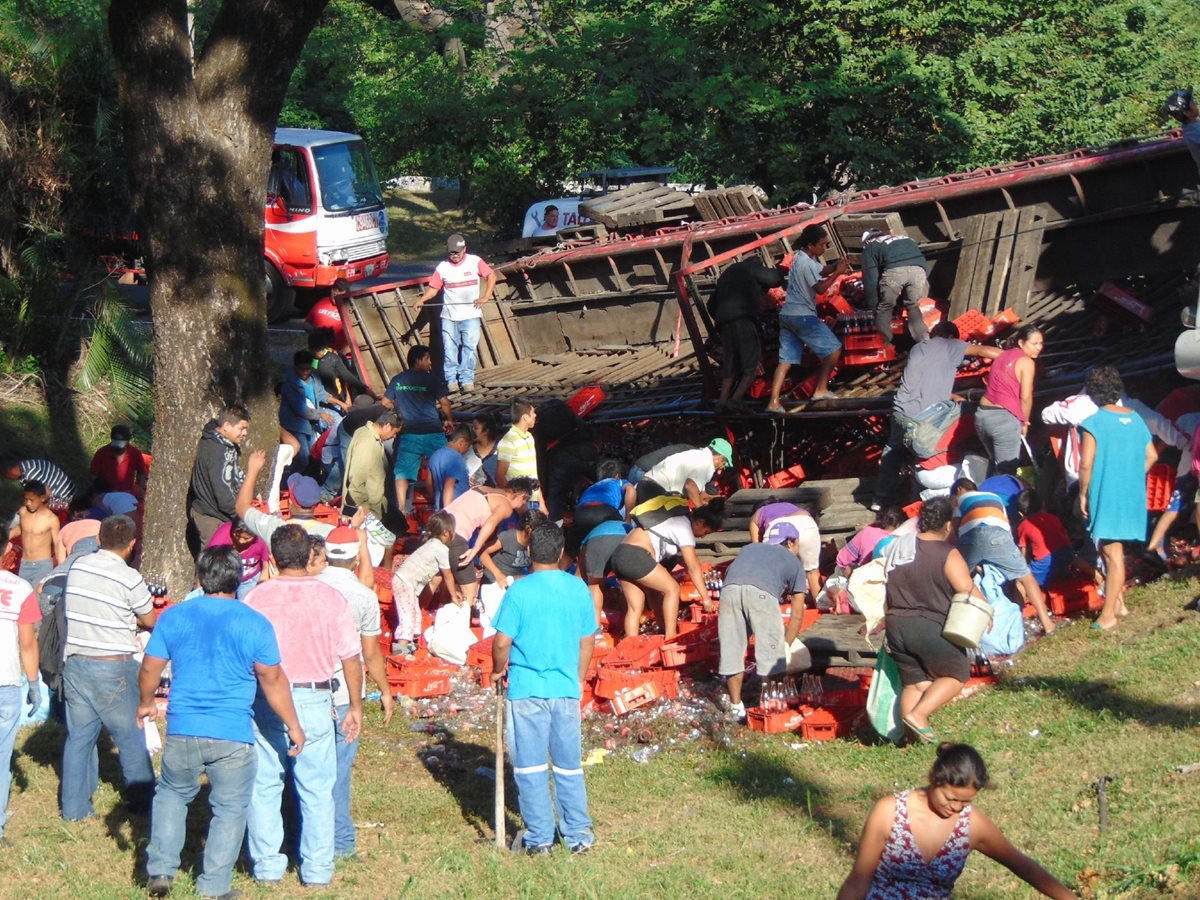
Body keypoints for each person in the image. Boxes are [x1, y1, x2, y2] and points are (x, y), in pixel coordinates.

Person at [138, 546, 304, 900]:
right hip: (232, 733)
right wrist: (292, 724)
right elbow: (272, 680)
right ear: (240, 578)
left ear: (199, 576)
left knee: (171, 795)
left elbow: (151, 666)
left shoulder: (174, 616)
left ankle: (161, 871)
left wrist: (146, 702)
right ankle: (213, 887)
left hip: (183, 727)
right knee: (229, 810)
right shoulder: (255, 622)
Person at [243, 524, 364, 888]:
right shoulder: (332, 599)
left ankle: (266, 866)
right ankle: (316, 870)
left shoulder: (255, 598)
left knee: (264, 783)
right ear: (311, 556)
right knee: (317, 788)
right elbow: (351, 658)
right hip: (314, 697)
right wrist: (355, 705)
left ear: (274, 559)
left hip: (266, 698)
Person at [837, 742, 1078, 899]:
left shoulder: (973, 825)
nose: (955, 808)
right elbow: (859, 879)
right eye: (950, 798)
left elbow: (1024, 867)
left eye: (965, 803)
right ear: (934, 778)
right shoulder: (889, 811)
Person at [491, 521, 596, 854]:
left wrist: (497, 670)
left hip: (527, 690)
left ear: (529, 552)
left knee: (530, 767)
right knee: (569, 766)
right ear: (562, 552)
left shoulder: (519, 591)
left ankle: (540, 839)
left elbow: (501, 641)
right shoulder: (577, 588)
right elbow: (587, 638)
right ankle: (578, 835)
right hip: (565, 688)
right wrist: (579, 677)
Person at [60, 514, 157, 819]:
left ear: (98, 539)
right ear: (132, 545)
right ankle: (142, 803)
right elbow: (149, 619)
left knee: (79, 739)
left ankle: (74, 809)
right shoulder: (129, 578)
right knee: (129, 735)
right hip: (113, 666)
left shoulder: (77, 567)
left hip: (75, 664)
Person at [316, 527, 394, 859]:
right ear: (353, 559)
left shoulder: (310, 587)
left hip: (306, 691)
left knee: (306, 768)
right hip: (346, 695)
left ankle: (301, 836)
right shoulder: (362, 596)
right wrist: (385, 691)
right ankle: (341, 843)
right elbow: (371, 654)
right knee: (338, 771)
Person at [874, 320, 1002, 508]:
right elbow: (986, 352)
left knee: (894, 450)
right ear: (951, 337)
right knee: (925, 453)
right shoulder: (950, 345)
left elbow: (928, 380)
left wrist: (952, 395)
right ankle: (921, 499)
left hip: (901, 410)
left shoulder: (918, 348)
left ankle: (880, 498)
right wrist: (1014, 358)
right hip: (922, 418)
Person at [882, 498, 978, 743]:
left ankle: (911, 741)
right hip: (928, 624)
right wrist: (984, 609)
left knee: (914, 684)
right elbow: (966, 587)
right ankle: (920, 716)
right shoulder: (946, 552)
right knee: (956, 674)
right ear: (947, 526)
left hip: (896, 623)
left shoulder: (898, 547)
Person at [1079, 366, 1156, 632]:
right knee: (1109, 548)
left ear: (1092, 394)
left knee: (1112, 553)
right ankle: (1120, 604)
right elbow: (1152, 456)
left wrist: (1081, 493)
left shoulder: (1093, 423)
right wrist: (1131, 474)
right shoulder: (1135, 418)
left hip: (1105, 493)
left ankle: (1108, 615)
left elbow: (1086, 464)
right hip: (1130, 493)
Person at [718, 521, 808, 723]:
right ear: (791, 542)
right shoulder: (794, 563)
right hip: (761, 594)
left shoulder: (750, 548)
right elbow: (797, 611)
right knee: (772, 653)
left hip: (729, 591)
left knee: (732, 650)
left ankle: (735, 707)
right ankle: (771, 705)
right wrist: (786, 645)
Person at [952, 478, 1056, 636]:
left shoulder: (959, 500)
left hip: (972, 537)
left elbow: (954, 532)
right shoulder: (994, 498)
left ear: (959, 490)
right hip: (1000, 535)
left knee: (958, 579)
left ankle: (967, 630)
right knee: (1025, 576)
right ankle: (1047, 624)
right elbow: (1004, 527)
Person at [611, 502, 724, 640]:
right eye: (706, 532)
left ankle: (632, 646)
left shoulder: (673, 521)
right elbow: (693, 567)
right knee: (672, 589)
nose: (703, 537)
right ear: (700, 522)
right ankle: (671, 637)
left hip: (620, 555)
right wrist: (706, 599)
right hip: (636, 555)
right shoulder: (683, 526)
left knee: (636, 607)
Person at [765, 224, 849, 411]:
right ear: (811, 245)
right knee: (834, 350)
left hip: (787, 315)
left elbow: (821, 270)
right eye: (822, 245)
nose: (824, 248)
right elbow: (820, 288)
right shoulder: (806, 263)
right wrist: (838, 273)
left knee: (786, 360)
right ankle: (820, 390)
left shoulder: (800, 258)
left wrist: (835, 266)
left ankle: (773, 402)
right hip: (802, 315)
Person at [413, 233, 496, 393]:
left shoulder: (475, 261)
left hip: (471, 315)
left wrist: (486, 296)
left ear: (465, 249)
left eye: (458, 252)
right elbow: (434, 288)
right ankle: (451, 381)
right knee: (450, 350)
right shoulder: (442, 267)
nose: (455, 255)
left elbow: (490, 275)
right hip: (449, 317)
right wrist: (421, 300)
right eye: (452, 252)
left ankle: (467, 380)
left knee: (469, 347)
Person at [0, 527, 41, 844]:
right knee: (2, 759)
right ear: (5, 552)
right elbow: (27, 643)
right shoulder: (20, 588)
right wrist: (33, 684)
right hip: (7, 682)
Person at [443, 480, 536, 609]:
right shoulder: (506, 506)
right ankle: (459, 625)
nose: (523, 506)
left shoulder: (483, 488)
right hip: (456, 532)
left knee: (437, 579)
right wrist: (475, 549)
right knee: (470, 591)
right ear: (520, 497)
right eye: (524, 502)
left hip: (439, 522)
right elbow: (491, 522)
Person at [706, 258, 784, 411]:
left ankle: (722, 402)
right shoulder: (753, 267)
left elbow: (711, 305)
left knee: (731, 361)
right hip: (743, 319)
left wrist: (723, 317)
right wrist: (781, 271)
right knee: (752, 361)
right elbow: (774, 279)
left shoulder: (727, 275)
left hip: (723, 322)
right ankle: (735, 400)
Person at [386, 345, 452, 520]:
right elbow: (445, 403)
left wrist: (398, 411)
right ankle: (443, 507)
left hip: (409, 435)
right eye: (427, 359)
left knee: (402, 473)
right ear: (418, 360)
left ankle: (401, 508)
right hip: (433, 433)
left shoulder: (398, 380)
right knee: (444, 468)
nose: (430, 363)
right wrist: (449, 420)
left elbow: (385, 402)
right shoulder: (431, 379)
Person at [975, 325, 1043, 475]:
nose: (1038, 348)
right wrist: (1024, 422)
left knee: (993, 465)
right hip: (1003, 420)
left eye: (1041, 343)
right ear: (1021, 343)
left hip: (982, 416)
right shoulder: (1027, 362)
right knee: (1006, 472)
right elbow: (1025, 397)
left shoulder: (1002, 355)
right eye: (1034, 344)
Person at [391, 511, 459, 654]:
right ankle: (399, 655)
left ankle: (411, 650)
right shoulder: (441, 549)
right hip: (405, 583)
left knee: (416, 617)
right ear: (446, 533)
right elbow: (448, 575)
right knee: (408, 619)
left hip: (405, 583)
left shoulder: (432, 543)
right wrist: (454, 596)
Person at [188, 404, 250, 551]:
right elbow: (223, 493)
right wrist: (244, 514)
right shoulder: (217, 452)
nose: (245, 433)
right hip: (211, 515)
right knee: (213, 562)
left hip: (219, 513)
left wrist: (252, 493)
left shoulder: (225, 444)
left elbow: (235, 475)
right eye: (242, 428)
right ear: (227, 426)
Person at [860, 228, 932, 344]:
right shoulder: (904, 238)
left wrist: (873, 306)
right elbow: (923, 264)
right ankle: (925, 342)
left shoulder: (870, 246)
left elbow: (871, 279)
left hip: (895, 273)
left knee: (885, 308)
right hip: (920, 271)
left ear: (867, 240)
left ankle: (885, 346)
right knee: (912, 305)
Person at [479, 509, 546, 633]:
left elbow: (532, 568)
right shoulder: (508, 537)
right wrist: (497, 574)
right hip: (496, 582)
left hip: (514, 583)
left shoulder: (535, 544)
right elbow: (482, 552)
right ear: (529, 529)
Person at [279, 349, 338, 474]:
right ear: (295, 367)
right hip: (295, 425)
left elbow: (321, 394)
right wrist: (320, 414)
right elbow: (300, 408)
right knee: (302, 458)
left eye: (308, 368)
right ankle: (292, 481)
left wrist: (341, 403)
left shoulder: (314, 378)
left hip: (310, 423)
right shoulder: (290, 384)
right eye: (301, 369)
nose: (305, 372)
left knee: (313, 454)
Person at [342, 409, 404, 522]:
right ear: (388, 426)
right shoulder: (368, 442)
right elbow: (356, 478)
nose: (394, 436)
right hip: (363, 512)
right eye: (395, 432)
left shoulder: (364, 432)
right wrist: (365, 508)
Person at [565, 460, 636, 557]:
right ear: (618, 475)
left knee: (572, 549)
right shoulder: (618, 482)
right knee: (624, 541)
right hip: (604, 511)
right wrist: (628, 520)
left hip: (581, 513)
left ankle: (559, 569)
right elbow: (630, 489)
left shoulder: (591, 487)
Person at [637, 440, 731, 507]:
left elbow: (699, 492)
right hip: (656, 490)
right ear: (719, 457)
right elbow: (690, 486)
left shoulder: (698, 455)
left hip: (646, 485)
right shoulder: (706, 463)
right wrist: (700, 510)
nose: (722, 468)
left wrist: (710, 498)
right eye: (724, 463)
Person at [8, 480, 61, 592]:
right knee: (22, 596)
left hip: (42, 565)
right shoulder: (23, 511)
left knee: (37, 597)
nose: (28, 503)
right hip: (25, 563)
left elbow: (57, 544)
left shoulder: (51, 519)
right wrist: (8, 535)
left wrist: (61, 566)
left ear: (42, 498)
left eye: (31, 500)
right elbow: (22, 528)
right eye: (26, 499)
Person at [1014, 491, 1072, 587]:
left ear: (1020, 513)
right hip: (1067, 556)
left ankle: (1020, 600)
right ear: (1043, 504)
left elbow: (1023, 553)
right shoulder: (1054, 518)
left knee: (1023, 580)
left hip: (1045, 562)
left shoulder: (1023, 526)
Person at [309, 328, 379, 406]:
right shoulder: (307, 362)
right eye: (318, 350)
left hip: (337, 400)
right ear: (311, 349)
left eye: (323, 349)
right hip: (322, 401)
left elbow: (345, 376)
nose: (321, 353)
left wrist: (348, 398)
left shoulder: (333, 357)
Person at [207, 515, 269, 599]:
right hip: (224, 581)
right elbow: (208, 562)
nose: (241, 541)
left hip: (249, 580)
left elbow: (266, 565)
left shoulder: (261, 538)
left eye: (246, 538)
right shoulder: (223, 534)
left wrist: (261, 584)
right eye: (237, 535)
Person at [836, 507, 907, 571]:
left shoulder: (870, 529)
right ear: (898, 525)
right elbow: (864, 568)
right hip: (856, 570)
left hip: (851, 564)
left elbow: (842, 559)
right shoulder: (886, 539)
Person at [89, 424, 149, 499]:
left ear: (127, 441)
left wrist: (140, 487)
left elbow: (141, 472)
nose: (118, 448)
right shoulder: (102, 453)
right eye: (116, 442)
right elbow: (93, 475)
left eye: (121, 443)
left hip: (126, 494)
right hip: (104, 494)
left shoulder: (135, 453)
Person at [496, 398, 540, 489]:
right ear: (525, 417)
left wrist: (541, 500)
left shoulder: (530, 438)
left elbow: (533, 474)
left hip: (533, 498)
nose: (535, 415)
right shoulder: (509, 440)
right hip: (519, 499)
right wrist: (514, 498)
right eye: (533, 413)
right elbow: (499, 477)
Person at [429, 424, 473, 509]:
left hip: (439, 508)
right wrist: (447, 511)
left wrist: (436, 500)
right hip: (454, 510)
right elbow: (449, 486)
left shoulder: (435, 455)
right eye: (468, 446)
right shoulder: (456, 458)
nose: (468, 450)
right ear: (461, 442)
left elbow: (428, 483)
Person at [1, 457, 77, 506]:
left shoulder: (31, 474)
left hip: (64, 499)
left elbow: (46, 493)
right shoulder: (25, 467)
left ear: (9, 472)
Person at [1165, 87, 1200, 177]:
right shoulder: (1195, 131)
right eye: (1192, 102)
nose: (1196, 103)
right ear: (1187, 113)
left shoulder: (1189, 128)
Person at [465, 414, 501, 487]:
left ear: (486, 431)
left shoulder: (500, 451)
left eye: (475, 428)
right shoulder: (467, 448)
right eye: (472, 427)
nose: (472, 430)